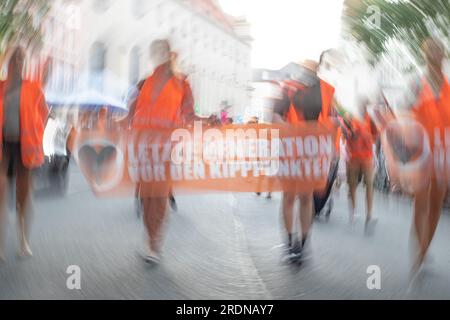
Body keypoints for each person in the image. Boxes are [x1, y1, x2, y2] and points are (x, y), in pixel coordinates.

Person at [128, 39, 215, 264]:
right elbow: (132, 112)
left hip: (167, 147)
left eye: (160, 51)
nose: (157, 55)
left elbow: (189, 114)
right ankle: (149, 239)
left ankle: (154, 247)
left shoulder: (181, 83)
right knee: (147, 197)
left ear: (168, 54)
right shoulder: (144, 83)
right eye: (153, 51)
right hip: (144, 147)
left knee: (159, 196)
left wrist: (207, 120)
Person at [272, 55, 336, 264]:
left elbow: (333, 119)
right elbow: (275, 116)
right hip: (290, 149)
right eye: (305, 68)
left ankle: (303, 244)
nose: (308, 71)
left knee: (306, 197)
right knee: (289, 196)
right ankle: (290, 242)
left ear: (317, 70)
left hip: (313, 151)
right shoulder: (288, 88)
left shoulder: (327, 90)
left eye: (312, 69)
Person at [405, 37, 450, 273]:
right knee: (420, 202)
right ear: (424, 54)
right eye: (430, 49)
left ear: (443, 54)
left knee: (436, 203)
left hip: (444, 151)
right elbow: (404, 113)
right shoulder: (415, 82)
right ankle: (419, 248)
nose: (435, 52)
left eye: (438, 48)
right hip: (421, 151)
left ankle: (424, 249)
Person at [0, 47, 49, 261]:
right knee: (1, 196)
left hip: (25, 150)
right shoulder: (1, 87)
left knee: (22, 198)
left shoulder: (33, 88)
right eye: (16, 58)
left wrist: (37, 135)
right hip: (3, 149)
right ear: (10, 62)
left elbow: (45, 114)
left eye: (22, 58)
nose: (19, 62)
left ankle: (23, 241)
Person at [340, 98, 378, 233]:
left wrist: (371, 138)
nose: (363, 106)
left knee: (370, 184)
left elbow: (376, 134)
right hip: (353, 158)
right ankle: (353, 210)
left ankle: (369, 216)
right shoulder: (349, 117)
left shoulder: (370, 118)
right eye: (361, 104)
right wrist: (349, 133)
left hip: (367, 158)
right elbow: (345, 133)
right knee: (352, 187)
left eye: (365, 104)